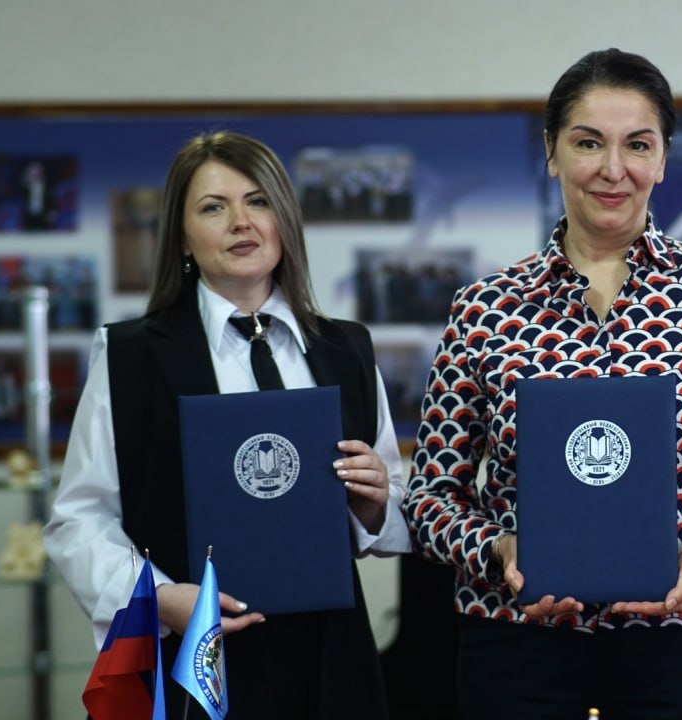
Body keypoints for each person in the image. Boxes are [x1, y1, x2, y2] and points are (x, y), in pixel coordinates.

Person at [402, 48, 682, 719]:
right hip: (522, 639)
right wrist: (498, 548)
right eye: (588, 142)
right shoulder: (485, 307)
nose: (613, 169)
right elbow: (431, 497)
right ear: (551, 151)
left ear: (663, 158)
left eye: (638, 145)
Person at [43, 131, 411, 719]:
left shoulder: (345, 348)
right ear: (182, 235)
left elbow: (391, 514)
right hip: (192, 652)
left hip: (328, 654)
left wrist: (374, 504)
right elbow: (79, 519)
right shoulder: (131, 354)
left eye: (258, 201)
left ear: (284, 219)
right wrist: (159, 598)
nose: (242, 221)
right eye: (214, 207)